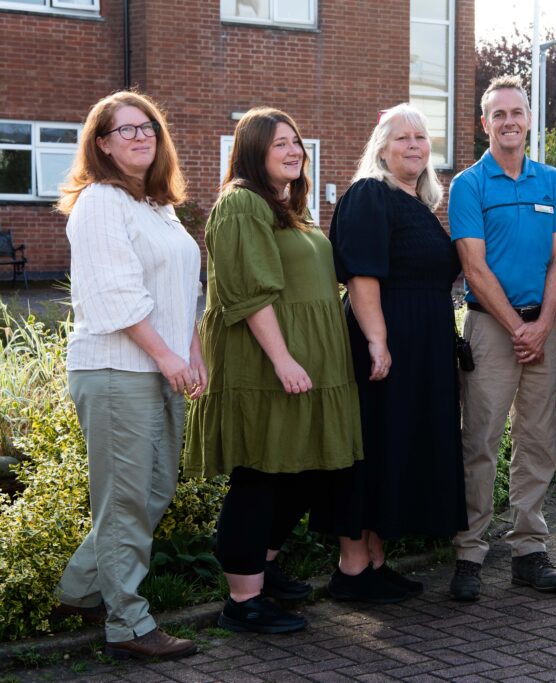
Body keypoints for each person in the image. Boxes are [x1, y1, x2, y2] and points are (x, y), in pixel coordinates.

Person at [184, 107, 362, 633]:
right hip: (264, 365)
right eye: (280, 143)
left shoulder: (289, 208)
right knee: (259, 475)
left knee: (303, 468)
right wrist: (283, 359)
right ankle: (242, 602)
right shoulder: (240, 204)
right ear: (253, 150)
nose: (293, 151)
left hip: (305, 361)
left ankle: (264, 566)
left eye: (297, 143)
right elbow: (250, 292)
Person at [54, 91, 203, 660]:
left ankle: (78, 591)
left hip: (160, 365)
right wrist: (167, 357)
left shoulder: (157, 208)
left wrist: (192, 352)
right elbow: (117, 294)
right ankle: (128, 625)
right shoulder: (99, 203)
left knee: (154, 489)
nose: (141, 137)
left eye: (148, 128)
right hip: (117, 369)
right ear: (102, 144)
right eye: (126, 130)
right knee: (125, 502)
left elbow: (178, 294)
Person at [325, 103, 466, 602]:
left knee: (394, 445)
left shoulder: (419, 205)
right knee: (370, 447)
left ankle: (376, 562)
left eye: (421, 137)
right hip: (384, 343)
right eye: (402, 137)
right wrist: (377, 341)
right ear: (381, 148)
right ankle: (352, 569)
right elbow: (362, 273)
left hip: (421, 345)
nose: (413, 145)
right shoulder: (369, 194)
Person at [447, 75, 556, 601]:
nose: (509, 121)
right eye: (498, 114)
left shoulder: (552, 181)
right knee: (480, 441)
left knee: (538, 441)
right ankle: (470, 552)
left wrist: (542, 324)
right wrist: (518, 326)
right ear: (484, 124)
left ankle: (528, 549)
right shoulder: (469, 185)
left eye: (516, 112)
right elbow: (473, 268)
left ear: (528, 120)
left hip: (542, 326)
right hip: (490, 328)